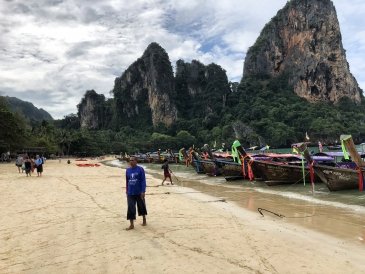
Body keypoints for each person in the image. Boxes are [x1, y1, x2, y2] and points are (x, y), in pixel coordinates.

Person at [125, 157, 147, 230]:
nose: (131, 161)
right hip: (130, 192)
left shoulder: (140, 169)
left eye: (133, 160)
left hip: (139, 192)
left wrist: (143, 191)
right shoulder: (127, 170)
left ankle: (144, 219)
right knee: (131, 208)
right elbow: (127, 181)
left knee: (142, 206)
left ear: (136, 161)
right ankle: (131, 224)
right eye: (130, 160)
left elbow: (143, 180)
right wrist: (127, 190)